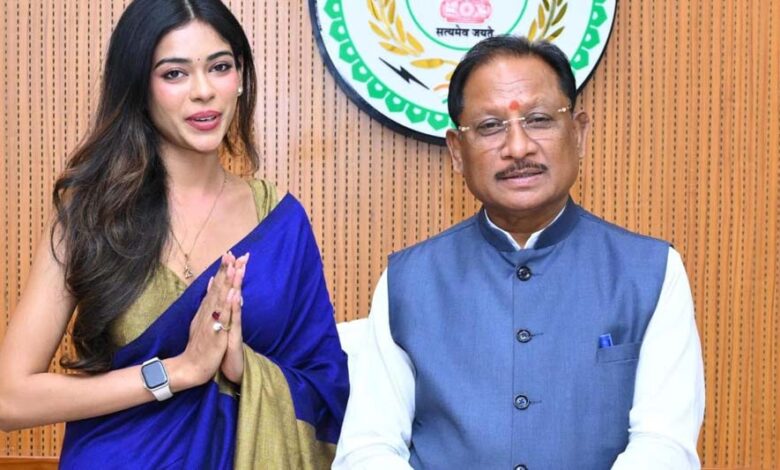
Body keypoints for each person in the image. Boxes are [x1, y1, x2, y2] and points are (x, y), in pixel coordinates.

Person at [0, 0, 348, 467]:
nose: (203, 92)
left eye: (219, 67)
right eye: (174, 74)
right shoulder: (91, 215)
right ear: (138, 87)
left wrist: (241, 367)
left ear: (240, 78)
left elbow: (327, 388)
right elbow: (9, 399)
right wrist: (180, 371)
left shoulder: (280, 223)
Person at [334, 36, 705, 469]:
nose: (518, 147)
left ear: (578, 133)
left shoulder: (650, 272)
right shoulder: (408, 281)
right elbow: (368, 448)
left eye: (539, 119)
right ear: (457, 151)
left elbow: (664, 445)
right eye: (491, 126)